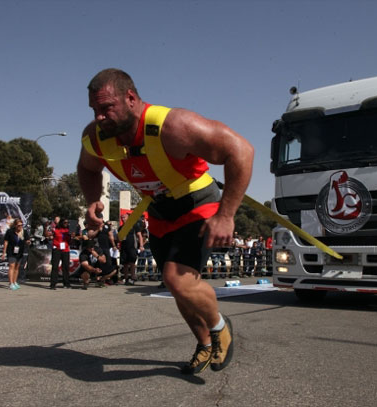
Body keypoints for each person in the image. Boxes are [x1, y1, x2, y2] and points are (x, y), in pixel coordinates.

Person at [77, 68, 253, 374]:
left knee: (176, 278)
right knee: (178, 289)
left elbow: (241, 151)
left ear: (130, 98)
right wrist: (94, 200)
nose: (100, 118)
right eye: (95, 110)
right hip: (159, 212)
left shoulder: (174, 125)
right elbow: (87, 169)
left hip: (197, 203)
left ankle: (221, 327)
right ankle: (205, 343)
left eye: (107, 108)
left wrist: (226, 215)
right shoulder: (96, 137)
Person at [1, 218, 31, 290]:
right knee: (12, 266)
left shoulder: (24, 232)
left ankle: (14, 281)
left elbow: (27, 240)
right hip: (11, 251)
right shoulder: (10, 232)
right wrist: (4, 252)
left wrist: (28, 242)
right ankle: (11, 283)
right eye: (18, 225)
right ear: (15, 225)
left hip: (19, 251)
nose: (20, 227)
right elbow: (6, 242)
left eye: (21, 225)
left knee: (17, 267)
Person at [118, 212, 144, 285]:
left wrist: (141, 246)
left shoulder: (134, 225)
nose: (122, 219)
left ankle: (133, 277)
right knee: (125, 264)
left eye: (124, 217)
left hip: (132, 247)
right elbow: (119, 239)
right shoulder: (120, 228)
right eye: (121, 218)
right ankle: (126, 278)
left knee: (132, 262)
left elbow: (139, 236)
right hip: (124, 247)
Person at [50, 219, 71, 289]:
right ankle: (53, 284)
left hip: (65, 249)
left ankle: (66, 283)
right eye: (65, 222)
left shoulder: (69, 231)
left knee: (65, 267)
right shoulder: (56, 229)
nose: (66, 224)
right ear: (61, 223)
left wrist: (72, 236)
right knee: (55, 266)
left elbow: (71, 240)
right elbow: (48, 235)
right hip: (57, 249)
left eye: (67, 223)